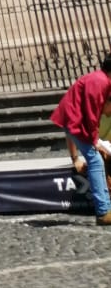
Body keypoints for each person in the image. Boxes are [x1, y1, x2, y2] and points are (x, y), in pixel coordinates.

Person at [51, 54, 111, 225]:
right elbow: (92, 113)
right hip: (75, 120)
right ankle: (103, 211)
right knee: (96, 161)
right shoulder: (101, 81)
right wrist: (94, 140)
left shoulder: (100, 80)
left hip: (73, 119)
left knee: (96, 160)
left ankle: (105, 208)